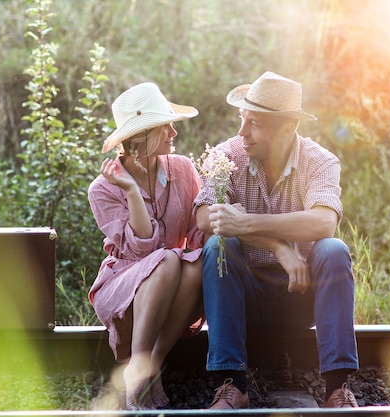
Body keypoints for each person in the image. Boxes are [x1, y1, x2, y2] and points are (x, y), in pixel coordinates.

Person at [193, 71, 359, 409]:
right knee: (218, 245)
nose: (242, 132)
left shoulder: (320, 161)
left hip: (299, 296)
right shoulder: (227, 157)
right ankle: (232, 385)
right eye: (243, 119)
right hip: (246, 299)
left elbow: (324, 221)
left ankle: (337, 390)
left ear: (286, 129)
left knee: (333, 249)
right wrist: (278, 245)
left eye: (254, 123)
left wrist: (247, 222)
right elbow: (203, 217)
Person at [88, 82, 205, 410]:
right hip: (125, 287)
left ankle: (149, 366)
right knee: (165, 259)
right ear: (143, 136)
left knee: (195, 263)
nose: (173, 132)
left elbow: (197, 235)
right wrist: (130, 191)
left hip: (175, 283)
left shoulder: (182, 168)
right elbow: (142, 251)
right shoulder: (103, 189)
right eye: (165, 125)